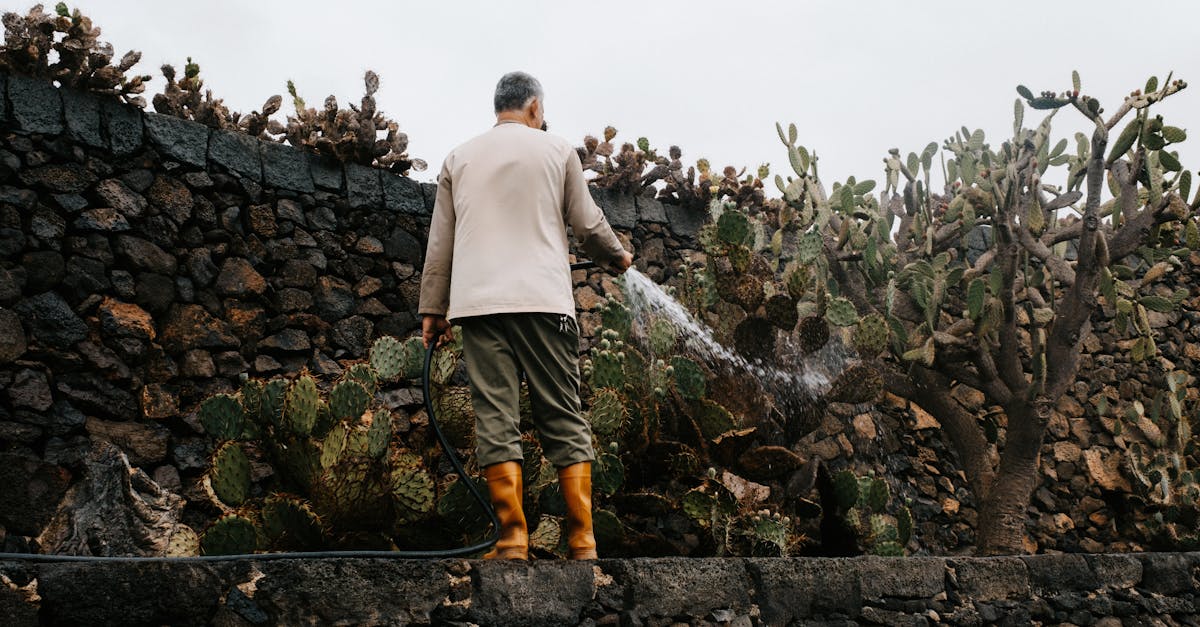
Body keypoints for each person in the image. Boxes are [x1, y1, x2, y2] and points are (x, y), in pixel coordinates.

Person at [418, 71, 633, 560]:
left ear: (499, 108)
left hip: (477, 306)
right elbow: (587, 223)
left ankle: (512, 539)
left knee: (495, 416)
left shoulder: (459, 157)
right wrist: (616, 257)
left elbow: (440, 242)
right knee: (562, 412)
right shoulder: (557, 151)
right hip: (543, 302)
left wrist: (433, 308)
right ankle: (582, 540)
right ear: (534, 108)